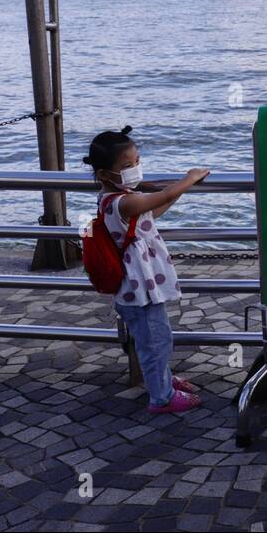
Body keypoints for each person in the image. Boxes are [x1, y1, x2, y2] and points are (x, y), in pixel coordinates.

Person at [83, 125, 208, 414]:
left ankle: (161, 379)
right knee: (154, 341)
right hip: (138, 289)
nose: (136, 169)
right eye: (128, 165)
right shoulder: (124, 201)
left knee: (158, 337)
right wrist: (187, 179)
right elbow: (155, 201)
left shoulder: (114, 198)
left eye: (138, 161)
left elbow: (153, 210)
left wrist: (171, 192)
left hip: (140, 286)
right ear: (104, 174)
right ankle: (161, 397)